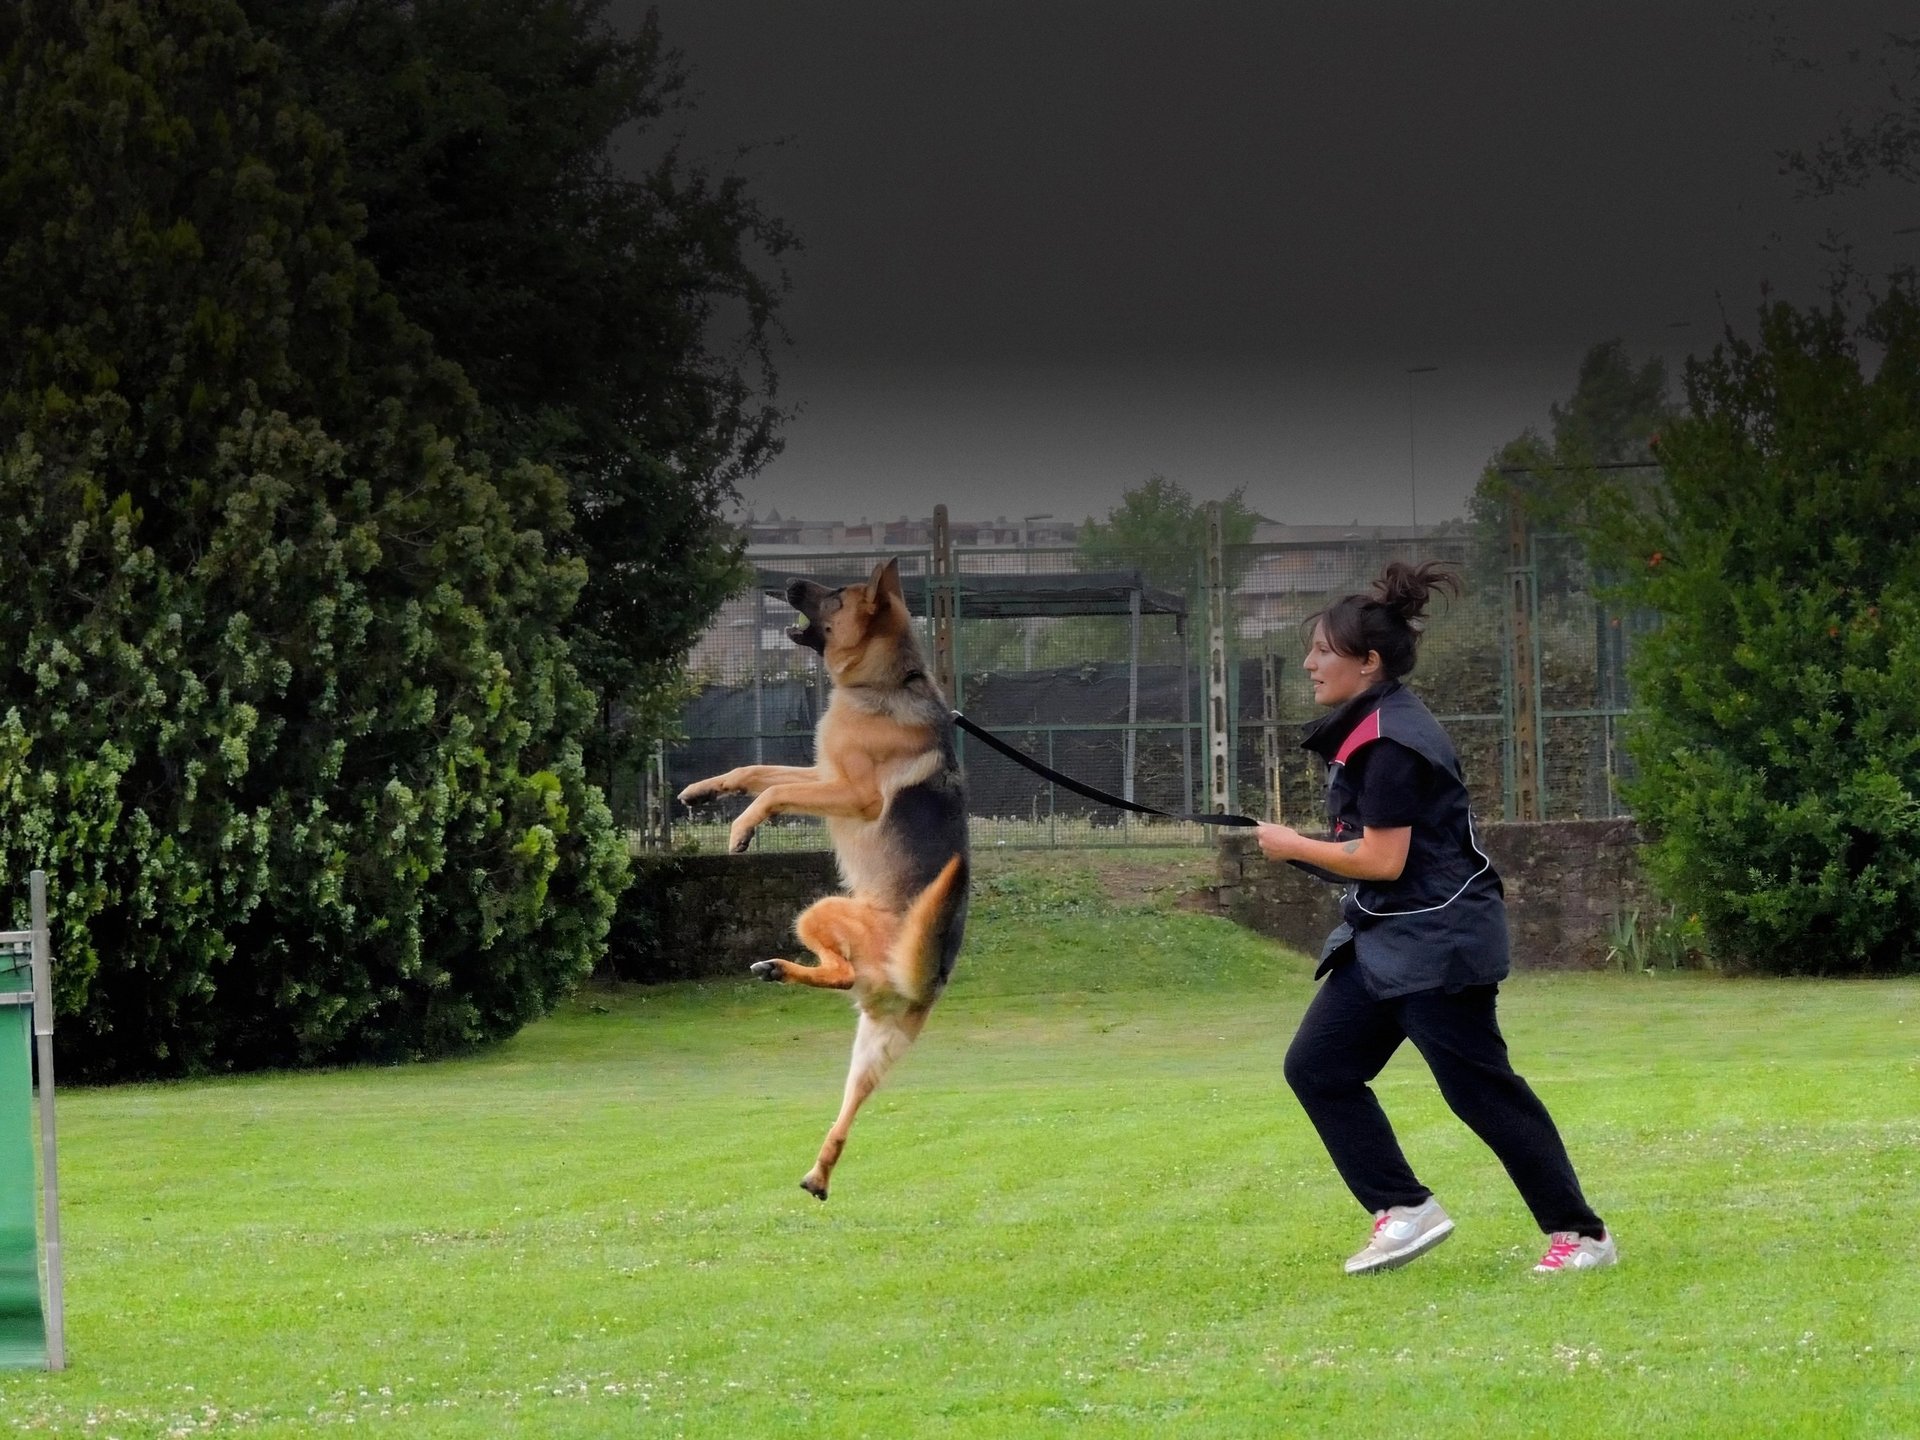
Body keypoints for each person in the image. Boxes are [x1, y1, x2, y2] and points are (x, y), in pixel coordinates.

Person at [1256, 560, 1616, 1277]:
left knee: (1481, 1094)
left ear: (1369, 663)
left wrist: (1293, 846)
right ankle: (1406, 1209)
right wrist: (1307, 847)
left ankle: (1583, 1236)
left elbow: (1386, 860)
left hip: (1439, 944)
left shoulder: (1391, 740)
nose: (1309, 664)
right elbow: (1380, 853)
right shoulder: (1370, 727)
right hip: (1388, 939)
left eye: (1323, 651)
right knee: (1319, 1066)